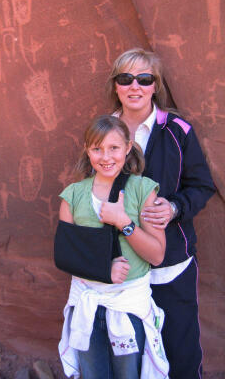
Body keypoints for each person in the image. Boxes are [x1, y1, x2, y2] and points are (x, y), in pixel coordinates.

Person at [104, 48, 216, 379]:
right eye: (125, 79)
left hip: (171, 266)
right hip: (121, 268)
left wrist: (175, 207)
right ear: (116, 86)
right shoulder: (104, 132)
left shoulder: (179, 130)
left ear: (156, 85)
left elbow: (202, 185)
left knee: (179, 354)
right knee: (129, 359)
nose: (134, 86)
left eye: (144, 78)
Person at [57, 115, 169, 379]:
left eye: (114, 148)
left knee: (128, 374)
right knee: (93, 374)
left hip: (127, 307)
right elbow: (65, 254)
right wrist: (102, 269)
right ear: (87, 150)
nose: (105, 156)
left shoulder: (143, 190)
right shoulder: (72, 195)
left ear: (128, 148)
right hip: (87, 307)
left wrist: (123, 222)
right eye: (97, 149)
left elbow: (157, 254)